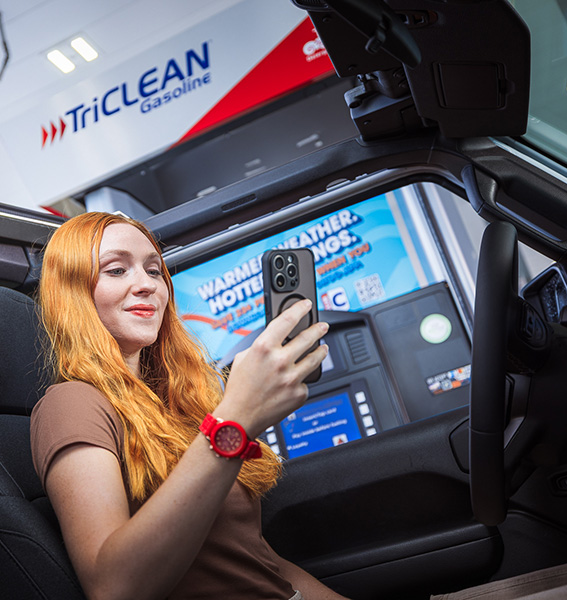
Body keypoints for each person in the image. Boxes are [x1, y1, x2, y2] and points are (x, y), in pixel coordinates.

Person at [31, 212, 348, 600]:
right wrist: (235, 421)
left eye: (154, 270)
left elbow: (257, 561)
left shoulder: (172, 405)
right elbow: (114, 588)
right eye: (116, 270)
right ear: (73, 293)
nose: (146, 284)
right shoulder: (72, 403)